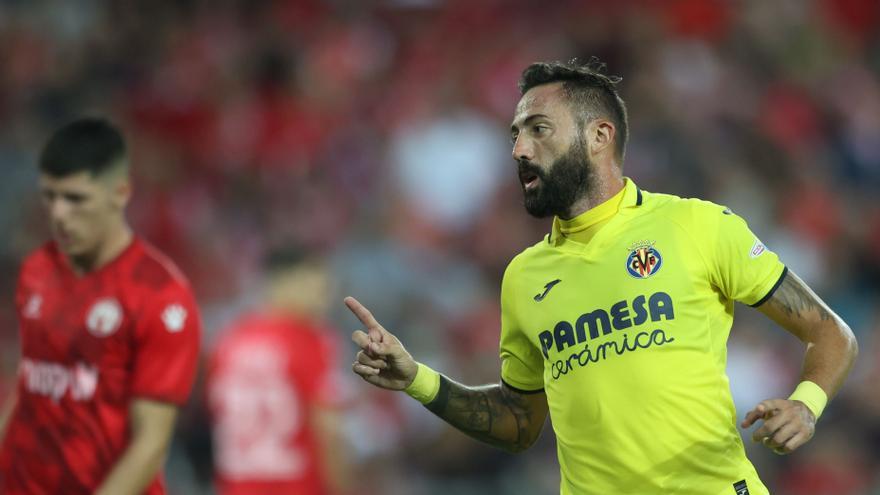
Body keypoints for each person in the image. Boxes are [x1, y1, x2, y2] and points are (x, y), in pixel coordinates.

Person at [345, 59, 859, 495]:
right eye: (515, 134)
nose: (519, 149)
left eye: (539, 129)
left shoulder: (697, 225)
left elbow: (831, 333)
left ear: (598, 136)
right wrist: (418, 379)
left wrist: (805, 405)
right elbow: (519, 422)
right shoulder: (524, 278)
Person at [0, 118, 201, 494]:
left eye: (76, 198)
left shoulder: (161, 295)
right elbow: (31, 385)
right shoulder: (37, 271)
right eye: (50, 196)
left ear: (119, 192)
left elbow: (151, 443)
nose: (59, 213)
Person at [207, 247, 351, 495]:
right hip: (297, 485)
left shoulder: (229, 340)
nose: (323, 300)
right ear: (284, 282)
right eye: (317, 289)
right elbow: (329, 430)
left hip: (236, 485)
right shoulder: (310, 339)